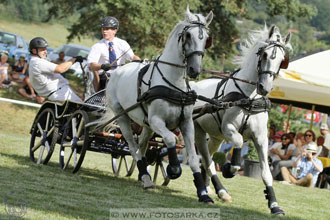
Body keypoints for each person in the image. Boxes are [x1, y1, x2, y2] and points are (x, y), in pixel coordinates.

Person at [87, 16, 140, 92]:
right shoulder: (97, 46)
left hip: (121, 76)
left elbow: (132, 57)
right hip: (105, 78)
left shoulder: (123, 43)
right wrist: (102, 66)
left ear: (115, 31)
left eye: (107, 29)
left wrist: (139, 61)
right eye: (103, 29)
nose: (104, 31)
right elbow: (92, 65)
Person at [28, 37, 83, 102]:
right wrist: (74, 59)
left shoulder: (36, 61)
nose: (45, 52)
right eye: (42, 49)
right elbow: (60, 69)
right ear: (34, 51)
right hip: (59, 93)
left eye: (45, 49)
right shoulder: (38, 62)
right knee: (83, 108)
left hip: (58, 92)